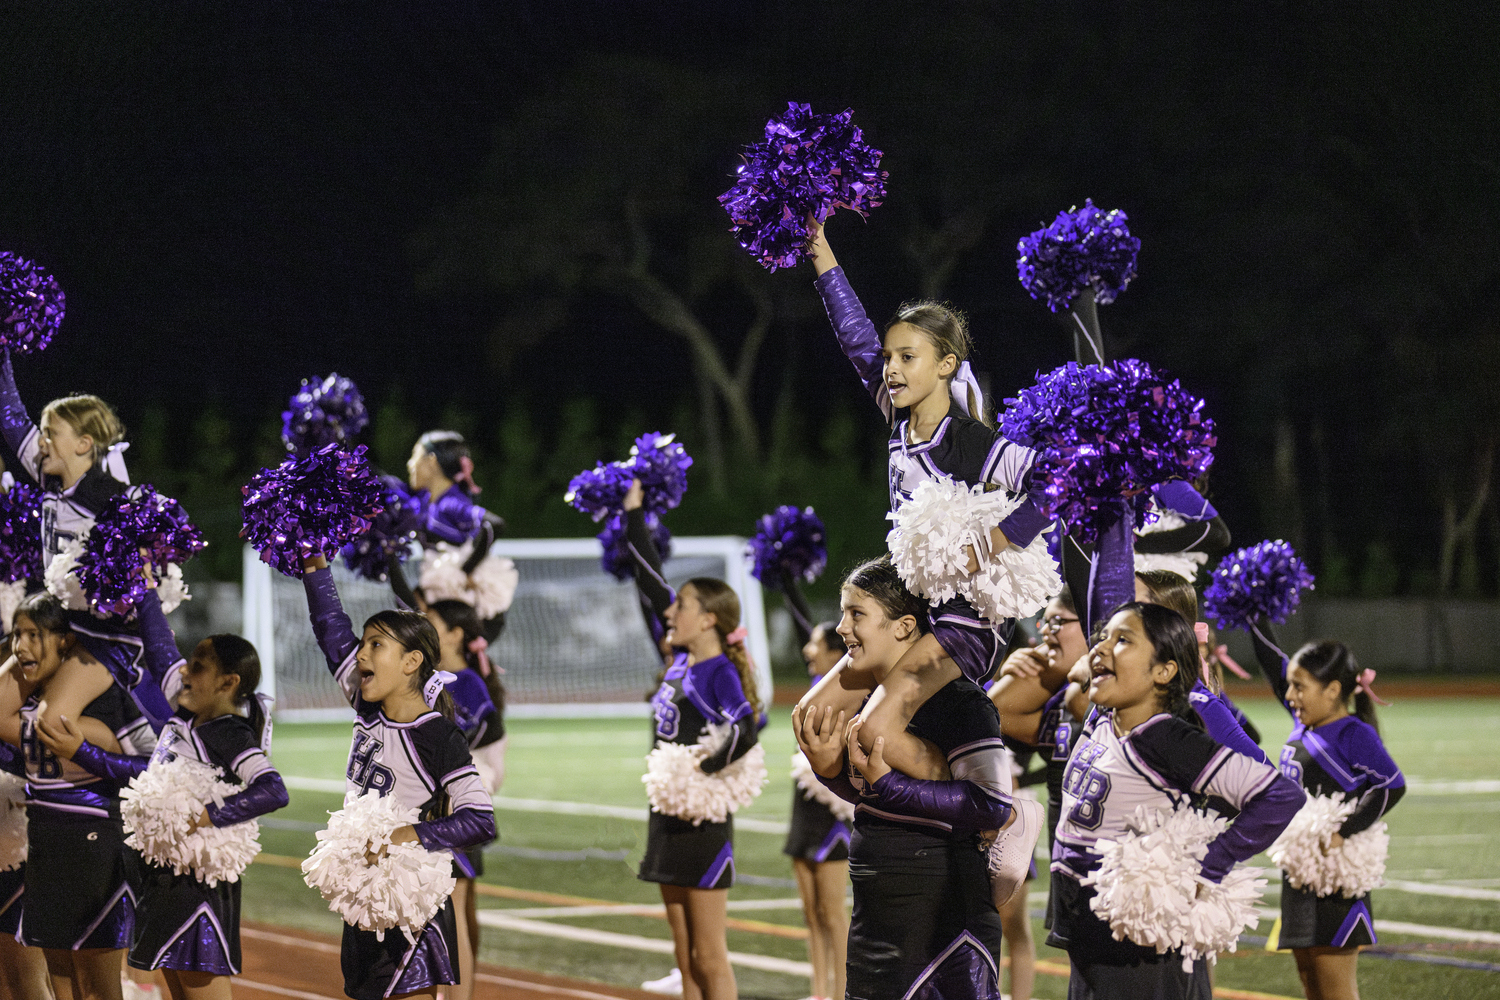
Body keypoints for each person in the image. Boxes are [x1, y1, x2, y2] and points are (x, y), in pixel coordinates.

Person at [799, 217, 1047, 892]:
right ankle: (928, 817)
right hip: (913, 611)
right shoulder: (896, 419)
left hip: (964, 622)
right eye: (890, 357)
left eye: (909, 357)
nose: (892, 368)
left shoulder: (968, 442)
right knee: (815, 722)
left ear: (946, 366)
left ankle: (1000, 814)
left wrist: (993, 541)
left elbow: (1056, 484)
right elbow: (852, 337)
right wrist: (819, 248)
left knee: (875, 734)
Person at [37, 588, 288, 1000]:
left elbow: (272, 790)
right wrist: (143, 586)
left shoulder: (229, 732)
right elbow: (158, 648)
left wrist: (207, 816)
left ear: (229, 682)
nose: (185, 671)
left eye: (198, 667)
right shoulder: (188, 713)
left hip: (197, 887)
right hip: (164, 880)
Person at [1049, 602, 1304, 998]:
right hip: (1085, 929)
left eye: (1122, 641)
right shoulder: (1105, 718)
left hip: (1132, 942)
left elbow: (1280, 795)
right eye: (1103, 638)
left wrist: (1211, 864)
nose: (1100, 648)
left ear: (1163, 671)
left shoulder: (1164, 738)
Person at [795, 557, 1013, 1000]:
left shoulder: (962, 701)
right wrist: (830, 772)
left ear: (904, 626)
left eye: (856, 614)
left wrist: (894, 784)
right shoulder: (868, 701)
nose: (841, 627)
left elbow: (992, 805)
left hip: (943, 927)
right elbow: (871, 799)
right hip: (876, 919)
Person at [301, 554, 497, 1000]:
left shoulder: (438, 734)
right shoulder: (366, 705)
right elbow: (330, 628)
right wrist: (315, 568)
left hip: (411, 906)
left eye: (375, 645)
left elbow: (480, 819)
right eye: (364, 644)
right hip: (366, 893)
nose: (360, 653)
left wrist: (406, 834)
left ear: (411, 662)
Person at [622, 480, 759, 1000]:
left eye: (681, 607)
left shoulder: (719, 670)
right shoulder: (678, 661)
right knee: (683, 952)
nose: (670, 612)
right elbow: (648, 577)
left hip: (702, 819)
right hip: (667, 816)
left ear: (708, 619)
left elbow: (744, 730)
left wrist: (700, 773)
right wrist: (634, 514)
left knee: (708, 952)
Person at [0, 359, 173, 730]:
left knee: (50, 724)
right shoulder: (51, 476)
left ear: (83, 444)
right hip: (61, 625)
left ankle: (123, 767)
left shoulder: (113, 499)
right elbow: (11, 418)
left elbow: (161, 557)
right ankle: (47, 776)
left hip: (107, 637)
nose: (41, 442)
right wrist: (4, 351)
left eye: (50, 433)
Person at [0, 592, 156, 1000]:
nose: (21, 646)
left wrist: (84, 753)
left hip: (96, 849)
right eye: (17, 635)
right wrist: (31, 650)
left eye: (35, 635)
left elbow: (157, 767)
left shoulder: (109, 700)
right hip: (46, 846)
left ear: (67, 641)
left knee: (98, 989)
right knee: (61, 983)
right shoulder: (33, 705)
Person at [1248, 626, 1404, 1000]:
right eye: (1290, 686)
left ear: (1333, 690)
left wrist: (1342, 833)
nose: (1290, 695)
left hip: (1334, 881)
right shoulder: (1306, 721)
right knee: (1309, 981)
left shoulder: (1352, 732)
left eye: (1299, 686)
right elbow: (1273, 664)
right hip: (1302, 877)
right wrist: (1254, 614)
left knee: (1335, 991)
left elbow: (1392, 784)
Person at [424, 598, 509, 1000]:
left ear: (456, 635)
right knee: (449, 910)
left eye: (433, 622)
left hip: (454, 810)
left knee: (454, 910)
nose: (424, 627)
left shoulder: (466, 682)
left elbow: (486, 735)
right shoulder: (428, 677)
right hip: (429, 809)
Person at [784, 619, 850, 1000]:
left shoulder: (850, 693)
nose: (808, 651)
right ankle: (818, 991)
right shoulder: (815, 692)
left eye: (815, 644)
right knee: (811, 913)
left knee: (833, 913)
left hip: (834, 816)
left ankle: (842, 993)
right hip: (804, 811)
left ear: (834, 652)